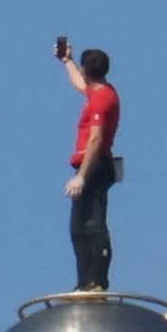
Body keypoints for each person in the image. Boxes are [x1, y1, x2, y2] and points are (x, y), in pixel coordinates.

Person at [57, 41, 120, 292]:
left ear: (87, 70)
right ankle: (84, 281)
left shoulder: (101, 100)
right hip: (90, 165)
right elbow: (81, 84)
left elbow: (96, 140)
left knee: (92, 225)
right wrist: (67, 61)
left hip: (94, 166)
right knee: (78, 227)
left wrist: (82, 176)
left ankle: (97, 281)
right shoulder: (98, 92)